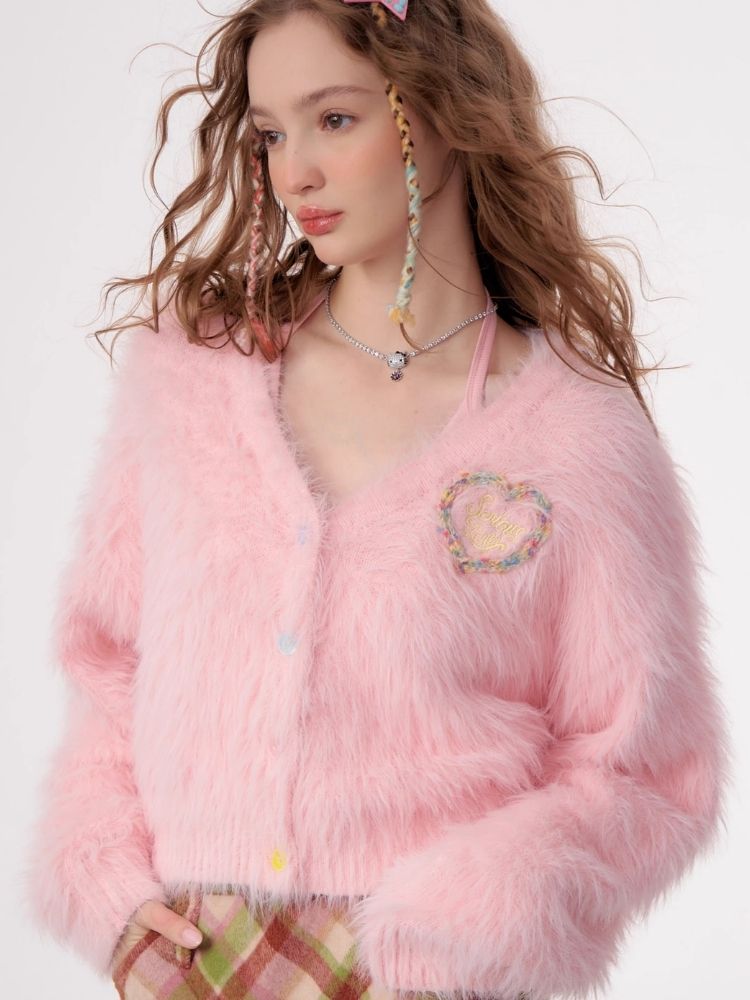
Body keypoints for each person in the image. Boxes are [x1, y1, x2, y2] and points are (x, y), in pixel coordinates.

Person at [23, 1, 732, 999]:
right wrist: (106, 884)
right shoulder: (194, 381)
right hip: (196, 957)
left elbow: (649, 768)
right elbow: (107, 659)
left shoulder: (578, 438)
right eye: (271, 134)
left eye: (334, 119)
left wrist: (462, 923)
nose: (295, 173)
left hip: (432, 971)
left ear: (444, 111)